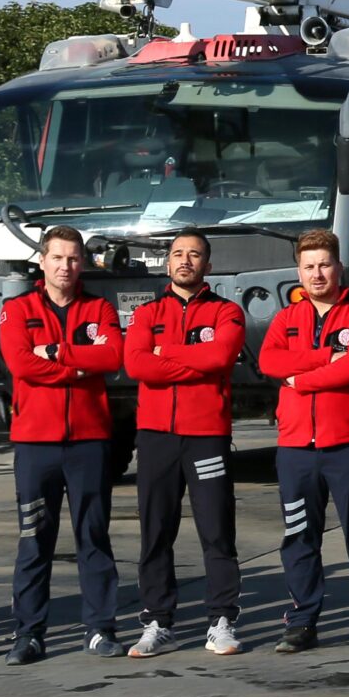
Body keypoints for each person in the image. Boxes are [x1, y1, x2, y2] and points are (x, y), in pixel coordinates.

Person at [258, 229, 349, 653]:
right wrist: (320, 359)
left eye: (324, 265)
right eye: (309, 267)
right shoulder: (284, 319)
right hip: (296, 448)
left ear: (339, 267)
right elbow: (267, 361)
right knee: (299, 536)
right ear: (299, 271)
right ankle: (301, 621)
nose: (317, 274)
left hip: (347, 443)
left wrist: (298, 379)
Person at [0, 225, 125, 663]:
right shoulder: (17, 310)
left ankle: (100, 629)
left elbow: (112, 358)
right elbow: (20, 364)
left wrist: (58, 354)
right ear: (42, 261)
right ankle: (29, 634)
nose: (66, 266)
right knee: (35, 540)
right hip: (36, 443)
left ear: (82, 263)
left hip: (89, 441)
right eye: (57, 258)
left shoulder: (100, 308)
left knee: (94, 536)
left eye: (73, 259)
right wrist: (77, 366)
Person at [122, 230, 247, 657]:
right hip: (156, 436)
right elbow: (137, 364)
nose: (185, 261)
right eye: (177, 254)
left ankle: (222, 621)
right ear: (167, 263)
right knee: (155, 532)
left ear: (207, 266)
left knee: (217, 531)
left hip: (206, 436)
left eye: (194, 255)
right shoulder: (146, 313)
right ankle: (158, 622)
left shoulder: (227, 312)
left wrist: (164, 353)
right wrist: (185, 355)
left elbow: (220, 358)